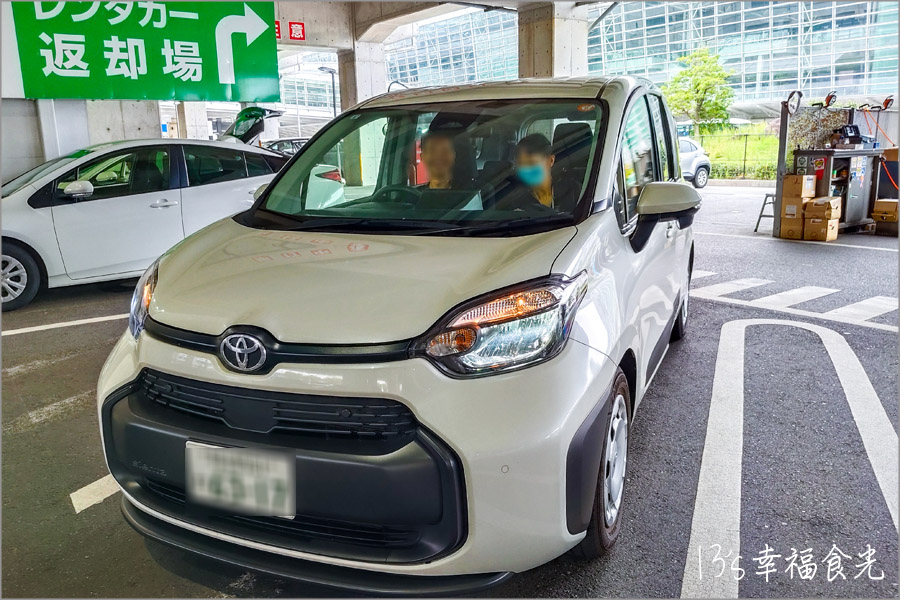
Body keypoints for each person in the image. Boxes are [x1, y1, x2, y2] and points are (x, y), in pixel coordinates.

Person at [498, 133, 581, 212]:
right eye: (520, 164)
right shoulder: (512, 197)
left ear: (551, 160)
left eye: (532, 163)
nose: (525, 169)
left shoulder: (572, 190)